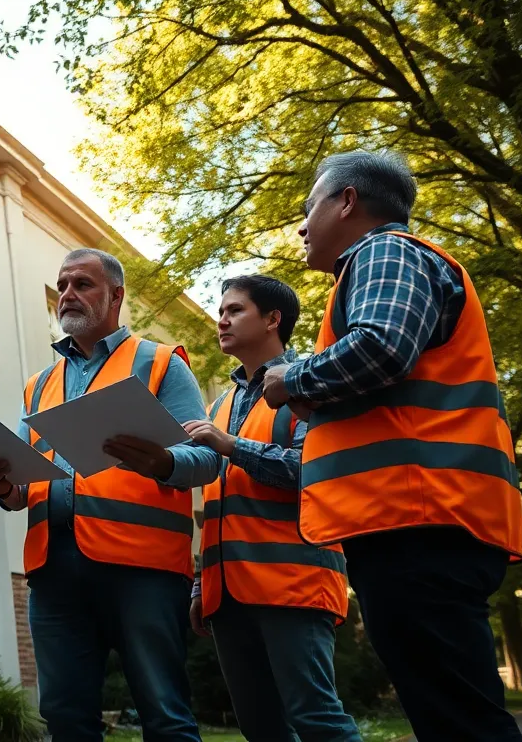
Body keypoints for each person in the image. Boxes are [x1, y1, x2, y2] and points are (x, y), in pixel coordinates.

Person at [261, 150, 522, 742]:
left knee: (461, 720)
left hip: (419, 518)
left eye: (310, 208)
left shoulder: (384, 252)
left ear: (348, 202)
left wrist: (290, 379)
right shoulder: (384, 266)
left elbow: (380, 347)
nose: (302, 227)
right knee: (452, 712)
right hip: (419, 519)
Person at [0, 249, 219, 742]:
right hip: (54, 566)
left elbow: (206, 460)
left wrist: (161, 461)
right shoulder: (38, 385)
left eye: (82, 284)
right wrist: (2, 485)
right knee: (64, 716)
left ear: (115, 296)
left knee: (164, 713)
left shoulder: (160, 364)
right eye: (62, 284)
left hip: (141, 567)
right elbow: (24, 483)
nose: (67, 294)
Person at [183, 275, 359, 742]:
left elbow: (316, 470)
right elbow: (216, 502)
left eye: (235, 310)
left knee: (316, 718)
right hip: (227, 594)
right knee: (260, 727)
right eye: (220, 311)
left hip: (293, 583)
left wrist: (230, 445)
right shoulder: (220, 404)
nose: (221, 320)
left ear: (273, 320)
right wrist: (202, 583)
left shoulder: (312, 381)